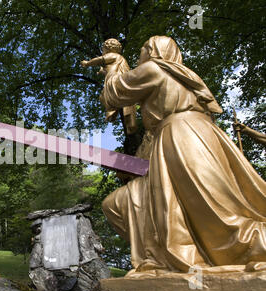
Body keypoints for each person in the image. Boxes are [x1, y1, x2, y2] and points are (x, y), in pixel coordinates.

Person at [100, 35, 266, 278]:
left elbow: (114, 93)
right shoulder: (187, 77)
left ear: (152, 50)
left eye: (142, 51)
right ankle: (174, 256)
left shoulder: (154, 68)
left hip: (180, 137)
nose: (139, 58)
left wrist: (113, 66)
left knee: (213, 212)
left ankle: (253, 247)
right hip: (206, 135)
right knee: (210, 204)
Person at [81, 38, 137, 134]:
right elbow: (110, 69)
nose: (103, 52)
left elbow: (100, 60)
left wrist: (87, 63)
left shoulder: (113, 55)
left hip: (114, 80)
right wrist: (102, 72)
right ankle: (128, 120)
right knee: (122, 99)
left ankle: (111, 110)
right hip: (122, 80)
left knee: (103, 96)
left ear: (108, 48)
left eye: (103, 49)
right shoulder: (121, 59)